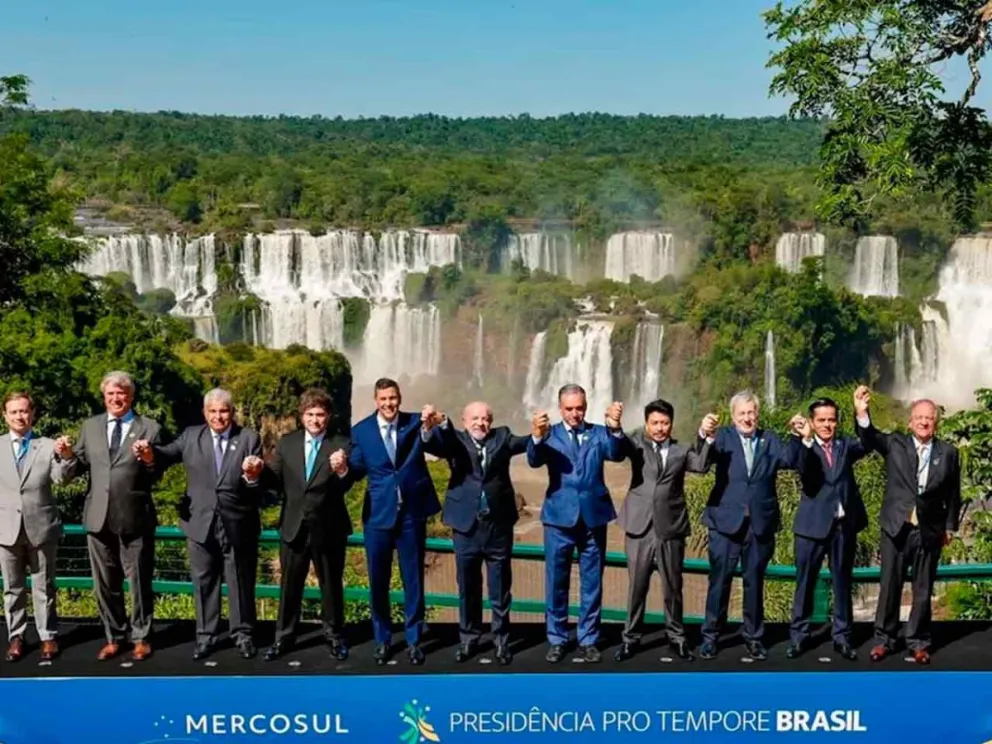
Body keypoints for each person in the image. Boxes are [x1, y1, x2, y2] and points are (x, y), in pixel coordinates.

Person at [135, 388, 264, 661]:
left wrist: (253, 476)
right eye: (213, 411)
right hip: (199, 523)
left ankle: (243, 636)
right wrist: (148, 453)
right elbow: (165, 455)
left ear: (232, 412)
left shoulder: (249, 438)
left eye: (224, 411)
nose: (219, 416)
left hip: (238, 523)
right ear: (205, 413)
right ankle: (207, 637)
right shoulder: (191, 436)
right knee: (204, 583)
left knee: (240, 582)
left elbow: (259, 486)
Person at [55, 371, 163, 662]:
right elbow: (75, 467)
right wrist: (65, 455)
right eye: (111, 394)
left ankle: (141, 637)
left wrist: (151, 458)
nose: (117, 399)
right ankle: (114, 636)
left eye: (122, 393)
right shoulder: (89, 427)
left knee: (139, 581)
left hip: (135, 516)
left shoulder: (149, 427)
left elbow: (158, 470)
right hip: (97, 515)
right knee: (105, 583)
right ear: (104, 397)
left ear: (131, 396)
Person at [854, 385, 961, 665]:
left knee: (923, 589)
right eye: (919, 417)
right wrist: (862, 412)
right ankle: (884, 640)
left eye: (930, 418)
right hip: (896, 526)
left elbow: (953, 492)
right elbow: (869, 436)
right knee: (890, 585)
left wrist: (950, 527)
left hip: (929, 529)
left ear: (935, 422)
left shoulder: (948, 452)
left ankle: (918, 641)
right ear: (910, 421)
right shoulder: (896, 444)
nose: (924, 422)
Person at [698, 390, 806, 661]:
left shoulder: (769, 439)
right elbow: (702, 459)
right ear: (733, 417)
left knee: (754, 582)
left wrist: (797, 436)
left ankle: (754, 638)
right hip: (725, 522)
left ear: (757, 414)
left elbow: (789, 460)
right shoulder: (721, 437)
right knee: (719, 582)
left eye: (751, 413)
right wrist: (704, 434)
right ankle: (711, 637)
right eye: (742, 414)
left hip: (760, 522)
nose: (747, 418)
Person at [343, 378, 444, 665]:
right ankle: (382, 639)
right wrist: (342, 469)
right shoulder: (361, 431)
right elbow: (356, 469)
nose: (389, 404)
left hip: (412, 512)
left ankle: (414, 639)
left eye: (393, 398)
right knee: (378, 581)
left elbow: (435, 444)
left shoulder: (415, 422)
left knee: (413, 580)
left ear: (399, 398)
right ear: (376, 400)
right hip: (378, 515)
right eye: (384, 399)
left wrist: (430, 425)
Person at [528, 383, 625, 663]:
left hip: (594, 517)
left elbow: (617, 453)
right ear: (560, 409)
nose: (575, 413)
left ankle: (588, 639)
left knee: (592, 583)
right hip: (559, 519)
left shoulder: (599, 433)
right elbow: (534, 460)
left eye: (580, 408)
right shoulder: (549, 434)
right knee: (556, 581)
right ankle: (557, 639)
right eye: (569, 409)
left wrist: (616, 427)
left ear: (586, 406)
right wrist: (535, 435)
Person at [614, 400, 718, 662]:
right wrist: (614, 426)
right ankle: (630, 639)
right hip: (639, 526)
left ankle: (677, 638)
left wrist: (705, 436)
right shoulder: (636, 444)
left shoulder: (682, 450)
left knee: (673, 588)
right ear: (647, 424)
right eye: (655, 423)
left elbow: (701, 466)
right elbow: (618, 447)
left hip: (670, 527)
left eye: (665, 423)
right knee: (637, 587)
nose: (660, 428)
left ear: (671, 424)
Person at [431, 400, 529, 665]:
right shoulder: (455, 441)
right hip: (466, 526)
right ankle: (468, 639)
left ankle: (501, 641)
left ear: (492, 421)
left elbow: (525, 443)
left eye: (485, 418)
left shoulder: (503, 436)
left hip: (498, 526)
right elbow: (435, 442)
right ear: (464, 421)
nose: (480, 423)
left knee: (500, 589)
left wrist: (541, 433)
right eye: (474, 418)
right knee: (468, 587)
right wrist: (438, 422)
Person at [263, 389, 353, 662]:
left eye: (321, 414)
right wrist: (253, 474)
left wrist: (342, 470)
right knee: (289, 587)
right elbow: (273, 481)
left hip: (329, 527)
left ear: (328, 417)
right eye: (310, 414)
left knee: (331, 587)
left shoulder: (342, 444)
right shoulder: (286, 443)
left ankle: (335, 637)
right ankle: (283, 638)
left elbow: (348, 484)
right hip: (293, 527)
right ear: (302, 417)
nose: (316, 420)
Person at [786, 397, 868, 661]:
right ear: (811, 421)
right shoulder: (800, 446)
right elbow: (807, 473)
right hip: (811, 527)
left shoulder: (846, 446)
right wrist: (807, 440)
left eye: (831, 419)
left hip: (843, 526)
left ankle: (842, 637)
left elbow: (868, 443)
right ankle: (799, 637)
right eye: (821, 420)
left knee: (842, 582)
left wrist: (861, 413)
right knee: (805, 583)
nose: (827, 425)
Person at [0, 391, 71, 662]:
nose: (20, 416)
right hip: (5, 529)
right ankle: (16, 636)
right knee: (12, 587)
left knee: (45, 585)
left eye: (24, 411)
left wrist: (65, 457)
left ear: (33, 414)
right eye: (14, 411)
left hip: (41, 527)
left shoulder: (47, 445)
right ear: (5, 415)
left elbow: (61, 479)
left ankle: (47, 636)